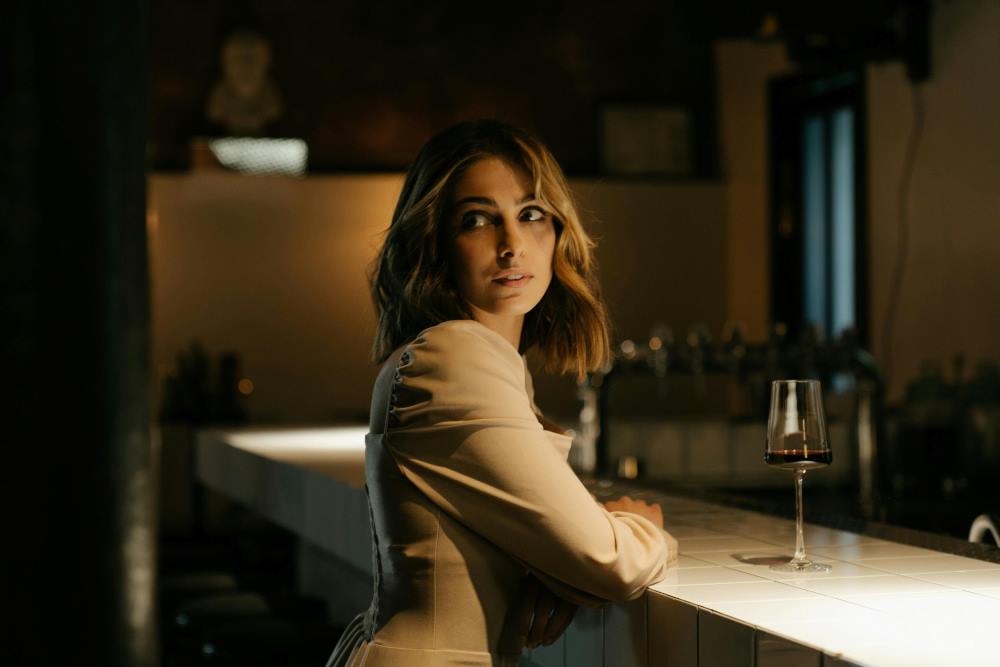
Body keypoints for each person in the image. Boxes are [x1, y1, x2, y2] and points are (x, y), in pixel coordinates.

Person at [327, 119, 677, 667]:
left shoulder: (481, 359)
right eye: (477, 220)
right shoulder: (454, 358)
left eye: (531, 214)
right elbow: (610, 562)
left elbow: (546, 534)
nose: (512, 245)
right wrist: (642, 525)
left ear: (558, 231)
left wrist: (554, 571)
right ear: (436, 243)